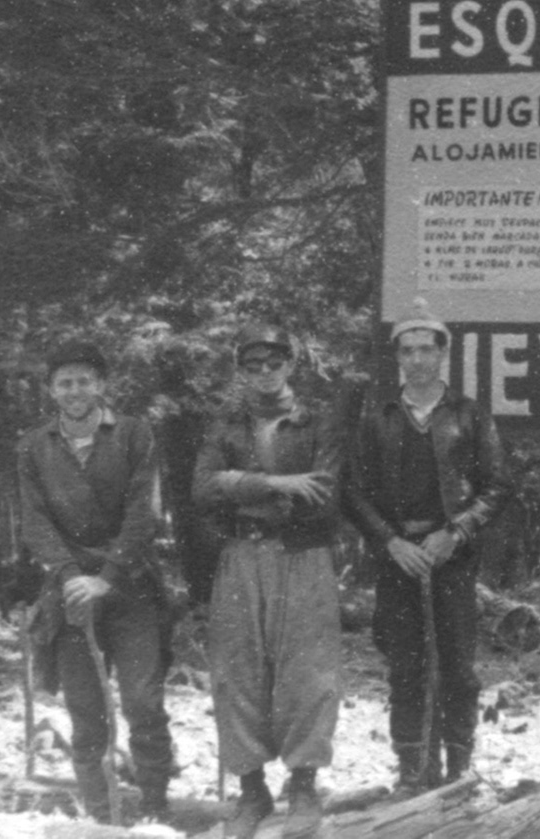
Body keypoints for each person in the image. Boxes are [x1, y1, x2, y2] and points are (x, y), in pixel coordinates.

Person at [345, 311, 513, 793]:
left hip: (452, 559)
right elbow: (353, 491)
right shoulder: (379, 419)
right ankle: (411, 770)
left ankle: (459, 768)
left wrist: (455, 533)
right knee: (405, 664)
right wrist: (390, 541)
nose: (417, 359)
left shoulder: (468, 414)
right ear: (397, 357)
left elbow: (498, 486)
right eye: (407, 350)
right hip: (399, 559)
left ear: (443, 354)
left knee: (458, 664)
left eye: (426, 349)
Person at [193, 322, 344, 839]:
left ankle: (303, 785)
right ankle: (251, 789)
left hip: (303, 554)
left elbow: (323, 489)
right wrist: (275, 484)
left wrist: (239, 489)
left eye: (273, 363)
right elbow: (203, 487)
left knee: (308, 669)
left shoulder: (316, 421)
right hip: (241, 554)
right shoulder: (227, 424)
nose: (263, 373)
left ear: (291, 365)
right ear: (241, 370)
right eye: (252, 365)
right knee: (236, 668)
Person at [17, 341, 175, 824]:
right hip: (69, 594)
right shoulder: (34, 447)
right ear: (51, 390)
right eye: (65, 383)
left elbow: (142, 513)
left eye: (85, 380)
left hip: (131, 587)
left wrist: (106, 578)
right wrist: (70, 577)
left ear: (102, 385)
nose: (75, 391)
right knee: (86, 711)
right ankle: (101, 813)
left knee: (143, 702)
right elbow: (35, 520)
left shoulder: (132, 435)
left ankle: (154, 806)